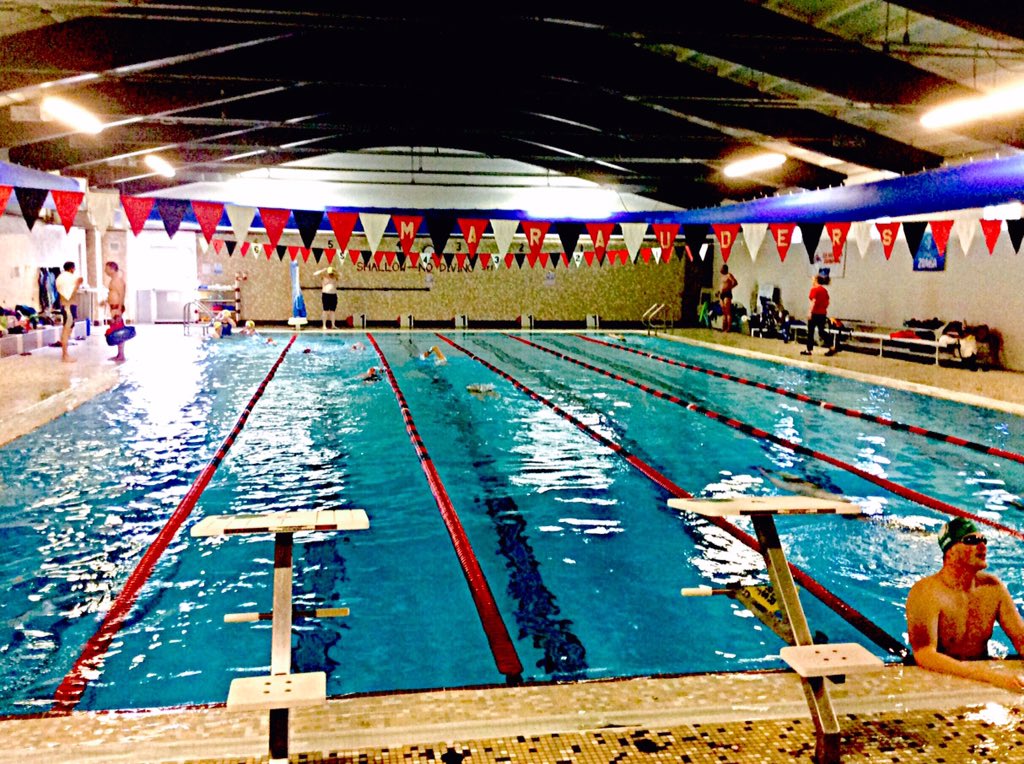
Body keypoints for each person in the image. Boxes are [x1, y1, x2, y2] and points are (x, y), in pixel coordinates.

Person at [905, 517, 1024, 692]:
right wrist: (991, 677)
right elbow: (924, 654)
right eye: (971, 540)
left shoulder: (993, 588)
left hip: (976, 675)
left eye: (983, 540)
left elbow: (1021, 639)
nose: (982, 546)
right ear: (950, 552)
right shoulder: (926, 592)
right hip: (939, 680)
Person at [801, 274, 835, 357]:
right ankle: (832, 346)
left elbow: (813, 301)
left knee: (810, 332)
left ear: (816, 280)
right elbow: (827, 302)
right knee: (822, 332)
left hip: (815, 314)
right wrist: (822, 308)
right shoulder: (824, 290)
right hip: (822, 314)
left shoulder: (814, 289)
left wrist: (810, 312)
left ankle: (809, 350)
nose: (812, 281)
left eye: (813, 280)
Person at [54, 261, 82, 363]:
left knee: (69, 328)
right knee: (66, 330)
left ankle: (65, 353)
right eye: (74, 269)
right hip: (68, 307)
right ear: (72, 269)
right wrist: (77, 284)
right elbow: (69, 294)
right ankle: (65, 355)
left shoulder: (61, 278)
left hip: (68, 306)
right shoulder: (67, 278)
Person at [102, 261, 127, 362]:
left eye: (106, 268)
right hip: (114, 308)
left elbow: (121, 295)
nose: (105, 270)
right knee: (116, 330)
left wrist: (119, 310)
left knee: (119, 331)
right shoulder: (113, 280)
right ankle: (119, 354)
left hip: (117, 308)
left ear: (112, 269)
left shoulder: (117, 281)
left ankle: (121, 355)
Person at [718, 265, 738, 333]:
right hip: (721, 295)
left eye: (721, 268)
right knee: (723, 312)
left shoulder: (729, 275)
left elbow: (735, 282)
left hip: (727, 294)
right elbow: (721, 286)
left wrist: (729, 288)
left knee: (727, 312)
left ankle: (728, 328)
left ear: (724, 269)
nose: (720, 269)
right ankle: (723, 327)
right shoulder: (722, 277)